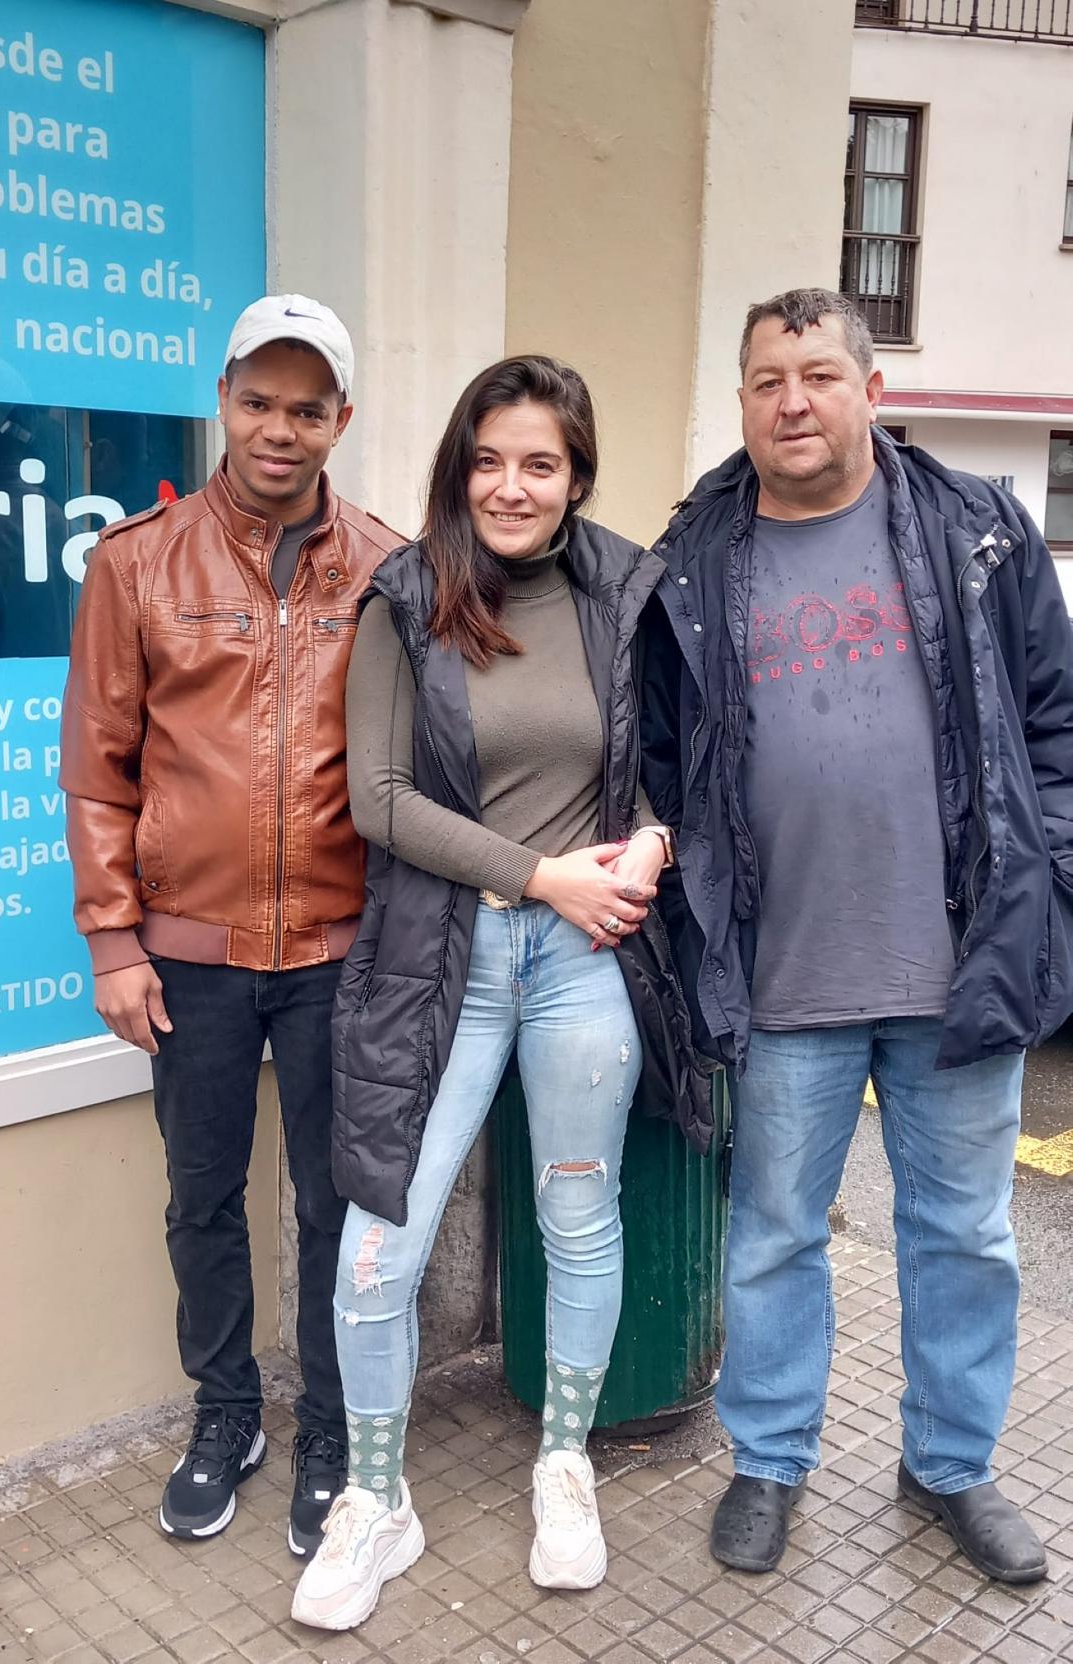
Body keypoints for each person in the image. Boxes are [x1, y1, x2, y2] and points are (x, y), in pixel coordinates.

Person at [641, 287, 1073, 1582]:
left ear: (871, 390)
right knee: (777, 1231)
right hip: (783, 977)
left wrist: (1049, 877)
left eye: (819, 374)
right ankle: (769, 1462)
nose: (793, 401)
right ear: (741, 402)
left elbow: (1057, 726)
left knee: (966, 1234)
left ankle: (951, 1466)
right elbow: (661, 757)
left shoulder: (980, 534)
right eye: (768, 379)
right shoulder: (695, 558)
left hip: (961, 968)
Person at [291, 354, 707, 1633]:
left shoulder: (626, 593)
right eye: (489, 459)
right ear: (456, 467)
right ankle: (376, 1497)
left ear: (577, 474)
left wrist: (645, 844)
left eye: (541, 462)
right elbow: (381, 801)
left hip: (586, 965)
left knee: (577, 1218)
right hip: (445, 963)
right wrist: (540, 875)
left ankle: (565, 1461)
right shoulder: (406, 599)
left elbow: (676, 762)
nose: (512, 486)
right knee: (379, 1246)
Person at [60, 294, 403, 1556]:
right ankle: (227, 1412)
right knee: (201, 1193)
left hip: (336, 954)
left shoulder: (386, 563)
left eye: (307, 406)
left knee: (335, 1205)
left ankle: (326, 1423)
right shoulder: (135, 564)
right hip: (188, 956)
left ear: (340, 422)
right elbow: (100, 770)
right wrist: (112, 936)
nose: (280, 426)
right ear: (225, 399)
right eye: (259, 399)